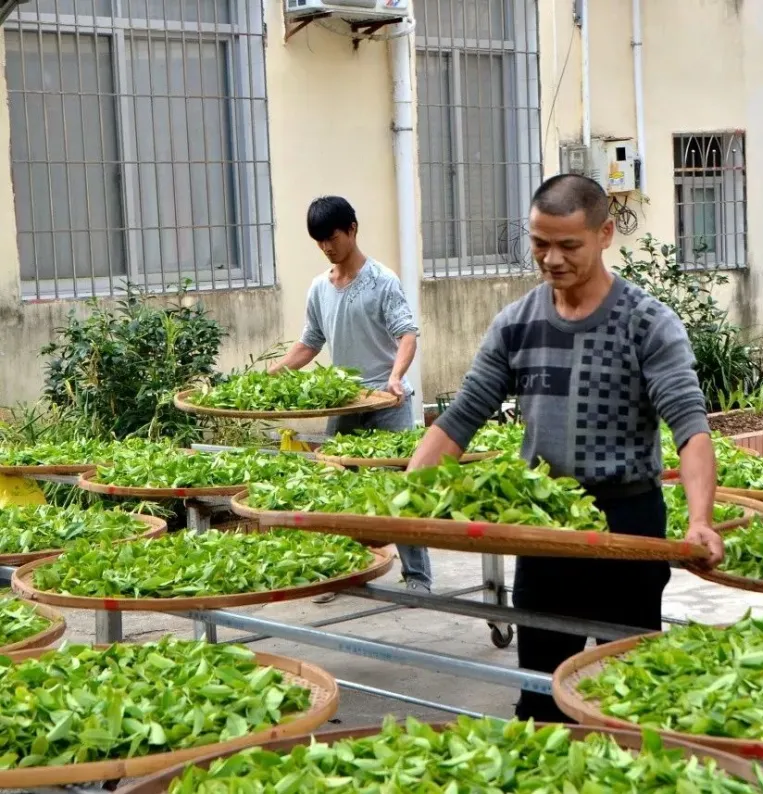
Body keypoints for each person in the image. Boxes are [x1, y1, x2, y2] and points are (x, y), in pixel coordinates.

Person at [407, 174, 723, 721]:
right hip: (546, 528)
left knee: (627, 697)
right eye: (539, 243)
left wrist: (701, 519)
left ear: (604, 234)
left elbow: (689, 426)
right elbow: (461, 418)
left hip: (627, 525)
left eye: (568, 245)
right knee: (542, 696)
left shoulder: (648, 323)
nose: (551, 258)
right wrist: (403, 500)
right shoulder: (516, 324)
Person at [267, 195, 432, 597]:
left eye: (333, 237)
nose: (327, 246)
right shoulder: (319, 288)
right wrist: (269, 378)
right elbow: (309, 344)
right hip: (345, 402)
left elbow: (407, 334)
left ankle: (418, 577)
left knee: (398, 490)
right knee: (336, 490)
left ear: (352, 229)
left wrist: (395, 378)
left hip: (387, 403)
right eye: (319, 240)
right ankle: (340, 570)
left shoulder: (382, 280)